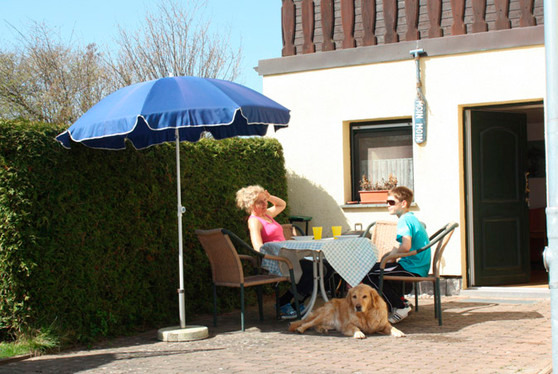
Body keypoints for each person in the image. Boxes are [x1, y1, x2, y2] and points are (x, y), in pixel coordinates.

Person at [235, 185, 318, 319]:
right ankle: (285, 303)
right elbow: (258, 248)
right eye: (260, 202)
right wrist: (275, 253)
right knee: (311, 269)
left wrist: (269, 197)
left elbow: (281, 204)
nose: (264, 204)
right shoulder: (255, 221)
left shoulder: (267, 214)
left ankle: (297, 302)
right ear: (251, 205)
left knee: (321, 268)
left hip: (289, 256)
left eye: (265, 201)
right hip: (278, 260)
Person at [362, 186, 430, 324]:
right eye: (387, 202)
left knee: (368, 274)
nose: (388, 205)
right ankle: (400, 301)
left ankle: (400, 307)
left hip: (412, 268)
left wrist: (391, 257)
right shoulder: (410, 218)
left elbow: (406, 246)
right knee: (373, 268)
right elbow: (404, 247)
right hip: (417, 265)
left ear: (403, 203)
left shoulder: (404, 220)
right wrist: (391, 255)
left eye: (391, 202)